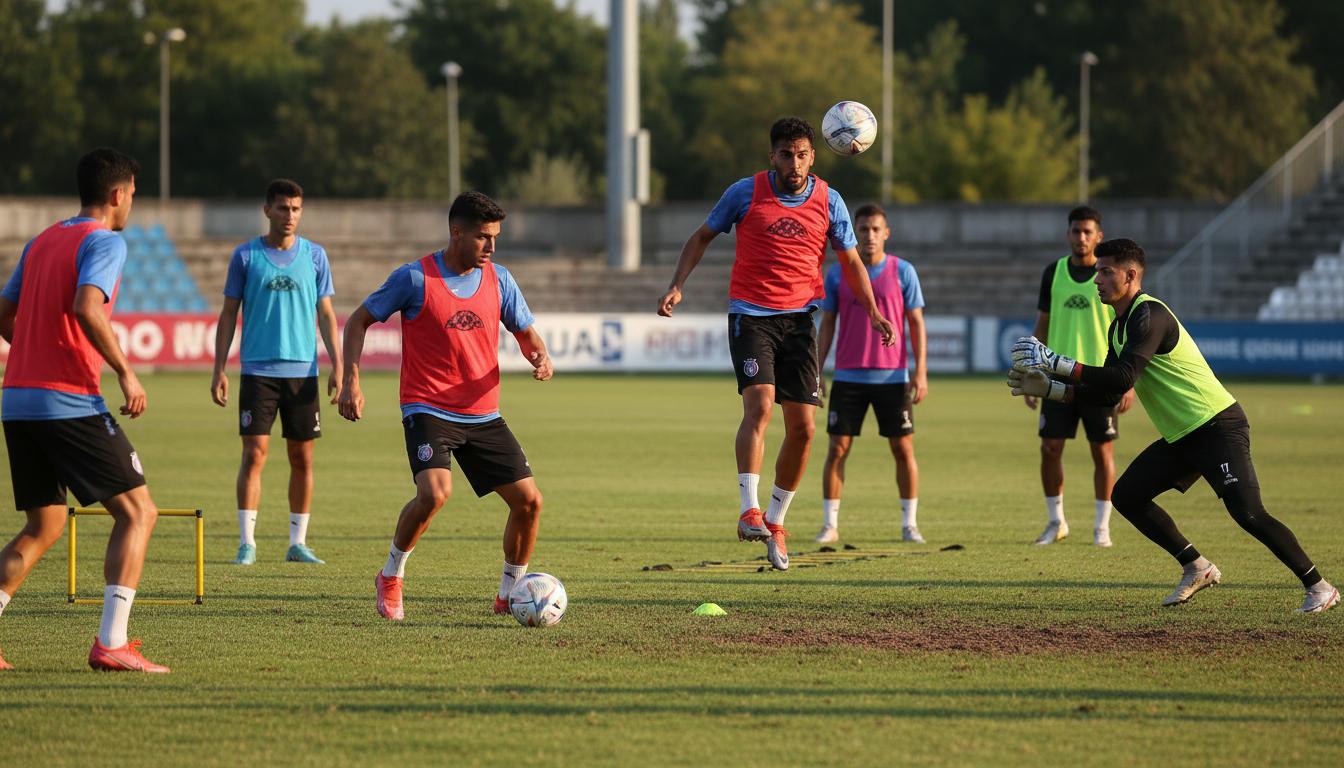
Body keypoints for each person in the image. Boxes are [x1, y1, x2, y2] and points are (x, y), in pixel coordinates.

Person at [1008, 238, 1338, 613]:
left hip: (1216, 425)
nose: (1096, 279)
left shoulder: (1149, 314)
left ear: (1130, 275)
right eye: (1097, 271)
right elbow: (1107, 395)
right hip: (1184, 435)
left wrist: (1057, 363)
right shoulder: (1118, 328)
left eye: (1106, 271)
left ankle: (1320, 587)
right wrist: (1051, 390)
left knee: (1248, 513)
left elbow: (1123, 378)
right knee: (1127, 496)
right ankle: (1197, 566)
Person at [657, 117, 895, 571]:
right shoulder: (744, 193)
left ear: (814, 156)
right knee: (761, 406)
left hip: (801, 322)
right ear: (772, 156)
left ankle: (776, 521)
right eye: (786, 154)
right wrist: (676, 285)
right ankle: (749, 510)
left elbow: (850, 262)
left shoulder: (830, 201)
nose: (795, 163)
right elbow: (701, 236)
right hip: (751, 317)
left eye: (802, 154)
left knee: (804, 428)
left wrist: (874, 312)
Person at [339, 191, 552, 621]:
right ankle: (391, 575)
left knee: (529, 502)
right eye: (483, 237)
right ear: (457, 233)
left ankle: (510, 593)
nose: (492, 246)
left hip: (483, 413)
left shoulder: (500, 279)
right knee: (435, 494)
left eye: (495, 237)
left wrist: (540, 357)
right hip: (429, 409)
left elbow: (526, 333)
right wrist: (351, 381)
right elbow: (358, 320)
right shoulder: (414, 278)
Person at [0, 148, 170, 671]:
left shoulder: (42, 240)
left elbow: (4, 312)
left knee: (43, 526)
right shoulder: (104, 241)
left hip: (18, 400)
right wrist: (125, 371)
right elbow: (87, 306)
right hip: (67, 400)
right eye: (133, 194)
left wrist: (34, 353)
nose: (132, 203)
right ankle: (111, 643)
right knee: (139, 513)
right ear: (118, 194)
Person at [211, 179, 340, 566]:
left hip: (303, 372)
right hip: (258, 372)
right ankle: (247, 543)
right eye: (283, 208)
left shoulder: (315, 256)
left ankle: (297, 543)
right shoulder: (246, 256)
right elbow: (228, 314)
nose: (290, 215)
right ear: (267, 210)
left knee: (303, 458)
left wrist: (339, 365)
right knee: (254, 454)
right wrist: (219, 368)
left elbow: (326, 314)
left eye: (296, 209)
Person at [813, 204, 927, 544]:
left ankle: (909, 524)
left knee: (902, 449)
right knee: (837, 449)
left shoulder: (903, 271)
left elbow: (916, 323)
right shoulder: (838, 274)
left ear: (886, 233)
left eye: (876, 229)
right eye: (863, 229)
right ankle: (830, 525)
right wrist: (817, 369)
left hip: (893, 377)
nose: (869, 235)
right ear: (855, 232)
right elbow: (828, 323)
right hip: (848, 376)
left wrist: (920, 372)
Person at [1024, 206, 1133, 547]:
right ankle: (1056, 522)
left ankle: (1102, 527)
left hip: (1101, 376)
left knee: (1102, 452)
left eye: (1088, 232)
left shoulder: (1110, 277)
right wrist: (1032, 368)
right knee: (1049, 448)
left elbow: (1128, 330)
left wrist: (1127, 381)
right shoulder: (1053, 272)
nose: (1081, 237)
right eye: (1076, 231)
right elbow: (1042, 323)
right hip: (1057, 376)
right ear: (1068, 234)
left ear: (1099, 236)